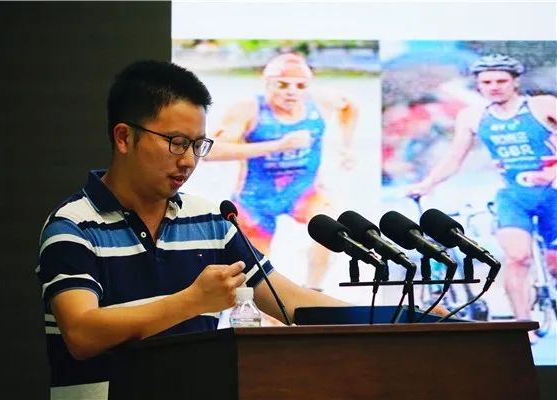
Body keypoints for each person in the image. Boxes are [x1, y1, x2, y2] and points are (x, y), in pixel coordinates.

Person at [36, 60, 350, 399]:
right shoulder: (73, 226)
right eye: (176, 142)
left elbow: (287, 299)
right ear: (124, 137)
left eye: (198, 145)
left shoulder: (210, 220)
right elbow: (82, 334)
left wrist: (386, 319)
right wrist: (192, 301)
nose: (188, 160)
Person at [409, 54, 557, 342]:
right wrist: (427, 183)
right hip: (514, 197)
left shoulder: (542, 105)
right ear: (478, 85)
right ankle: (523, 325)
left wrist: (552, 172)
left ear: (515, 82)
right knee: (517, 257)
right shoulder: (472, 116)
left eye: (501, 81)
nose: (494, 87)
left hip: (552, 193)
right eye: (487, 82)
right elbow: (454, 157)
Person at [206, 52, 359, 292]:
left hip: (304, 191)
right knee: (256, 274)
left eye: (300, 86)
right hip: (256, 198)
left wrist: (346, 146)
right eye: (282, 85)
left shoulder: (320, 102)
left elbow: (350, 107)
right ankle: (264, 310)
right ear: (267, 83)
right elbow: (210, 152)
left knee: (332, 230)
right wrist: (277, 146)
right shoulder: (248, 110)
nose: (291, 92)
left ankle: (313, 290)